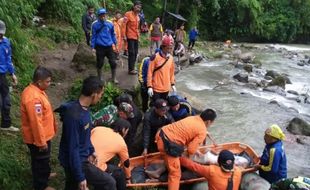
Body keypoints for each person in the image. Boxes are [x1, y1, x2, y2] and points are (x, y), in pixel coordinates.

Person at [57, 76, 117, 190]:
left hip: (81, 157)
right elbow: (73, 148)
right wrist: (80, 176)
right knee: (109, 182)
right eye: (100, 94)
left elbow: (85, 136)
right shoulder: (74, 116)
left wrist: (91, 150)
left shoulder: (84, 109)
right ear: (94, 94)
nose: (100, 97)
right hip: (78, 161)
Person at [155, 108, 217, 190]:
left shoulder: (192, 118)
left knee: (171, 159)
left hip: (160, 135)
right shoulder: (202, 130)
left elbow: (187, 136)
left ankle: (166, 166)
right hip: (168, 145)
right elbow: (191, 150)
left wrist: (196, 149)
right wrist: (193, 156)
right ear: (209, 121)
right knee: (175, 174)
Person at [21, 66, 57, 190]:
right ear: (39, 81)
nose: (49, 84)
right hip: (38, 138)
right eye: (47, 81)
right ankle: (41, 185)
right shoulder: (33, 98)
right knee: (40, 160)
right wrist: (41, 142)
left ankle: (45, 174)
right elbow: (36, 123)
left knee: (43, 160)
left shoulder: (36, 90)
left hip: (44, 135)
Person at [91, 119, 132, 190]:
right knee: (120, 173)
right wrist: (128, 178)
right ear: (123, 130)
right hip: (93, 167)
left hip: (81, 159)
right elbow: (126, 163)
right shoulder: (121, 143)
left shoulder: (98, 129)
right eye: (127, 131)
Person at [0, 20, 18, 132]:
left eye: (1, 34)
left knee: (6, 100)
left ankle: (5, 125)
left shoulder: (6, 42)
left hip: (2, 76)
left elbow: (8, 59)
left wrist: (12, 73)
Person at [91, 8, 118, 84]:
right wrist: (93, 47)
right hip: (99, 47)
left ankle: (114, 78)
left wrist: (115, 43)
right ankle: (99, 78)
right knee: (100, 63)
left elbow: (113, 34)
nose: (103, 17)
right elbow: (93, 36)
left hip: (109, 46)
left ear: (106, 15)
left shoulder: (110, 23)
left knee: (113, 62)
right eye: (101, 15)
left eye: (104, 15)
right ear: (98, 16)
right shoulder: (95, 24)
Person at [147, 37, 176, 105]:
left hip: (166, 88)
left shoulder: (171, 58)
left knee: (163, 106)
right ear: (163, 47)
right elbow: (150, 73)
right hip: (156, 88)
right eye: (168, 48)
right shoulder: (155, 57)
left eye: (171, 48)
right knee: (156, 106)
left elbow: (171, 73)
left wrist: (172, 84)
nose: (169, 50)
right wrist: (149, 86)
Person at [124, 1, 142, 75]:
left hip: (136, 37)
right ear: (134, 6)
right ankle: (130, 69)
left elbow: (137, 28)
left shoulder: (138, 16)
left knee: (136, 53)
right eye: (137, 6)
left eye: (140, 7)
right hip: (130, 36)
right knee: (131, 53)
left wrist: (139, 37)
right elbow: (124, 25)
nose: (138, 8)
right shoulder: (128, 14)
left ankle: (132, 67)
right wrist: (124, 35)